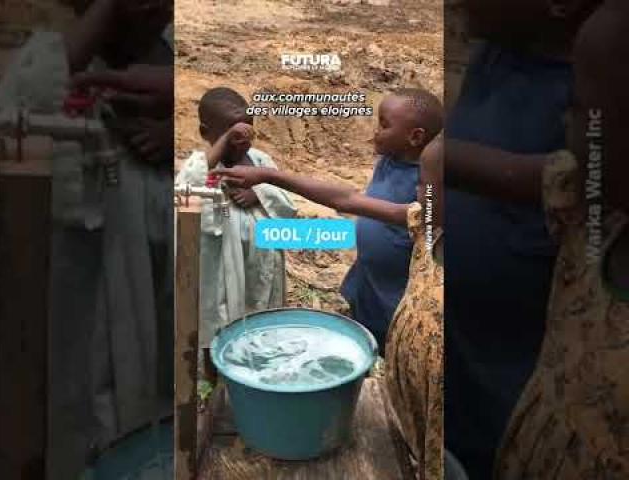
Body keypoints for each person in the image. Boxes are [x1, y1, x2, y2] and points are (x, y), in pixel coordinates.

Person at [444, 1, 628, 476]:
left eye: (581, 111)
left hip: (509, 417)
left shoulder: (594, 169)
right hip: (471, 405)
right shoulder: (502, 48)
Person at [0, 1, 174, 477]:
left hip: (153, 279)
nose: (155, 11)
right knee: (76, 399)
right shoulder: (59, 61)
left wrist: (173, 132)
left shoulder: (176, 58)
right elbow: (16, 110)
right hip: (80, 286)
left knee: (148, 401)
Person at [216, 135, 444, 479]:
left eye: (425, 185)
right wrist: (269, 177)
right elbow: (347, 198)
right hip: (413, 399)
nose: (417, 192)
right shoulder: (424, 221)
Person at [175, 87, 296, 345]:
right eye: (231, 135)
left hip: (262, 263)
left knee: (263, 319)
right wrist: (227, 139)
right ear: (206, 133)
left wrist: (259, 193)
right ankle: (216, 378)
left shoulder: (260, 161)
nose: (241, 142)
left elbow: (287, 204)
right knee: (220, 326)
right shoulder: (201, 167)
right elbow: (189, 190)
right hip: (223, 269)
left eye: (246, 134)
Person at [339, 88, 443, 354]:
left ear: (415, 137)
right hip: (366, 283)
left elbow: (348, 200)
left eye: (384, 125)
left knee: (391, 350)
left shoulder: (427, 184)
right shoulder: (388, 160)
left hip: (394, 297)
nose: (375, 131)